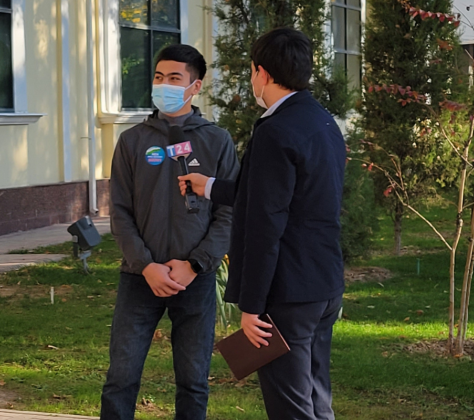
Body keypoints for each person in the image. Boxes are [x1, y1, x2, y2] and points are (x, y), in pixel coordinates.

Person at [179, 28, 346, 420]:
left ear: (262, 73)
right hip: (322, 283)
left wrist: (252, 307)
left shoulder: (275, 131)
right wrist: (211, 187)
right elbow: (282, 195)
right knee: (317, 397)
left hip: (285, 292)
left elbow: (265, 224)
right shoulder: (322, 122)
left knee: (291, 406)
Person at [102, 44, 238, 420]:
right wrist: (145, 265)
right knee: (121, 378)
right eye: (159, 78)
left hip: (194, 280)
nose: (164, 85)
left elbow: (229, 213)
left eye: (175, 78)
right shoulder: (132, 141)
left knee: (193, 381)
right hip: (139, 278)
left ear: (195, 86)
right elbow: (120, 211)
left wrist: (195, 264)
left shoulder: (216, 141)